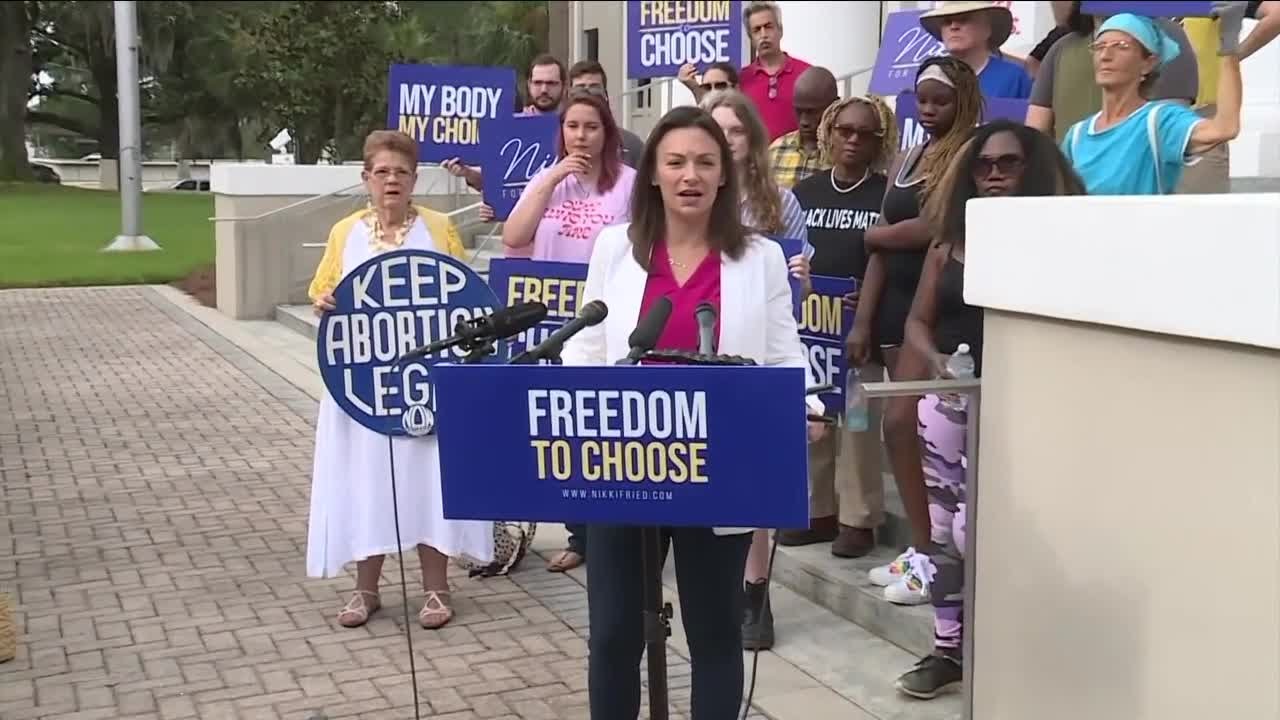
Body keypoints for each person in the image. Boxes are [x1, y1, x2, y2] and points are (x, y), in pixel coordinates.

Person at [561, 105, 825, 720]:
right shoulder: (613, 249)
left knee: (714, 635)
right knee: (614, 635)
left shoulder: (759, 258)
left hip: (721, 464)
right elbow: (586, 343)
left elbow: (786, 352)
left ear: (725, 175)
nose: (691, 175)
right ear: (651, 171)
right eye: (676, 161)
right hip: (624, 463)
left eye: (706, 162)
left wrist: (804, 407)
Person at [884, 120, 1087, 699]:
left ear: (1036, 169)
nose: (994, 174)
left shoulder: (1059, 239)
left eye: (1009, 163)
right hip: (949, 405)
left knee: (986, 529)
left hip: (1023, 409)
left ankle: (1014, 647)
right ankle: (949, 648)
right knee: (946, 533)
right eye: (984, 165)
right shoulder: (950, 241)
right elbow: (918, 321)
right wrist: (936, 361)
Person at [306, 130, 494, 630]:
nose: (392, 180)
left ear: (414, 180)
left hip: (427, 385)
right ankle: (365, 589)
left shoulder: (436, 227)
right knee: (368, 482)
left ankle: (437, 588)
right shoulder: (345, 232)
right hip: (365, 383)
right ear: (366, 178)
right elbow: (323, 290)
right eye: (382, 172)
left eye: (402, 172)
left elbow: (462, 296)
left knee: (429, 482)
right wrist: (324, 301)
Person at [852, 56, 982, 608]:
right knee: (896, 429)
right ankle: (923, 548)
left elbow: (937, 226)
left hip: (940, 304)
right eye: (922, 99)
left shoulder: (972, 156)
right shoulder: (910, 156)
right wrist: (862, 317)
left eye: (941, 100)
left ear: (965, 102)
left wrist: (877, 236)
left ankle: (939, 556)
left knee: (916, 425)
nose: (929, 110)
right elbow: (882, 243)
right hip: (897, 304)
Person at [500, 89, 636, 570]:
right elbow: (514, 237)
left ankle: (607, 533)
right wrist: (553, 176)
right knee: (564, 428)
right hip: (553, 324)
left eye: (591, 127)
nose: (581, 136)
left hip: (605, 321)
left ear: (607, 132)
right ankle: (579, 534)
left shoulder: (630, 185)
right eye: (572, 126)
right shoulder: (547, 179)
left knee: (602, 426)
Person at [701, 88, 814, 651]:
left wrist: (803, 275)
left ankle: (756, 593)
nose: (725, 140)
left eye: (735, 131)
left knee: (753, 479)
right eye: (714, 129)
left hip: (759, 353)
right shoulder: (692, 197)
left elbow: (799, 283)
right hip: (702, 349)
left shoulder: (781, 203)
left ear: (750, 140)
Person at [784, 95, 897, 560]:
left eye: (865, 133)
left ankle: (859, 518)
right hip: (811, 325)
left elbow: (891, 260)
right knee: (816, 420)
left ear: (879, 141)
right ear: (828, 133)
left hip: (858, 326)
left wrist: (870, 306)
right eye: (844, 131)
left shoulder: (886, 194)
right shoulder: (804, 192)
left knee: (857, 421)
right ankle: (819, 511)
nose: (853, 140)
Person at [1060, 10, 1245, 195]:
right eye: (1099, 47)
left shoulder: (1159, 121)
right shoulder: (1076, 135)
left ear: (1148, 63)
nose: (1105, 56)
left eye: (1121, 46)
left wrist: (1229, 47)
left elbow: (1225, 128)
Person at [1025, 3, 1201, 144]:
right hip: (1071, 181)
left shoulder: (1165, 38)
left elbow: (1173, 131)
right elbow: (1036, 133)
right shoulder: (1061, 48)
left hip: (1136, 179)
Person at [1179, 1, 1277, 192]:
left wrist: (1233, 55)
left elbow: (1277, 12)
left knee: (1201, 210)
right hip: (1143, 118)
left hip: (1200, 118)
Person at [919, 1, 1033, 99]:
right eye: (947, 21)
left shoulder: (1015, 78)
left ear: (988, 29)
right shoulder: (930, 77)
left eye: (964, 19)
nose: (953, 26)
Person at [739, 1, 813, 141]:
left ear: (780, 30)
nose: (763, 35)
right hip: (756, 160)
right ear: (751, 38)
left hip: (797, 159)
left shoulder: (807, 74)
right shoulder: (741, 80)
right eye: (756, 30)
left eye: (768, 27)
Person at [768, 66, 839, 190]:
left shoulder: (844, 154)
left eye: (812, 112)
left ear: (834, 106)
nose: (804, 121)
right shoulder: (775, 151)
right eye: (799, 111)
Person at [568, 60, 647, 168]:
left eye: (594, 89)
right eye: (580, 90)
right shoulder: (550, 146)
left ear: (606, 96)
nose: (588, 95)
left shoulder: (631, 145)